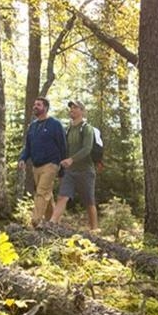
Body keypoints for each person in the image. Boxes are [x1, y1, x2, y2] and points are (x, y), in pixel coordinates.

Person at [17, 96, 66, 227]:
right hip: (36, 166)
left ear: (45, 108)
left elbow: (63, 145)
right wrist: (22, 158)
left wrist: (62, 167)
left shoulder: (55, 124)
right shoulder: (32, 127)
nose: (35, 107)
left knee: (41, 192)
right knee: (46, 194)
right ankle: (54, 224)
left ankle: (35, 221)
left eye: (38, 105)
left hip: (51, 164)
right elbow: (28, 146)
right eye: (34, 104)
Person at [51, 100, 98, 230]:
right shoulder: (68, 130)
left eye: (75, 107)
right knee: (62, 197)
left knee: (89, 202)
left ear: (82, 111)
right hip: (70, 172)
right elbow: (64, 149)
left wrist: (72, 159)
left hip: (86, 171)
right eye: (71, 107)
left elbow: (87, 148)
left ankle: (94, 230)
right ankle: (52, 224)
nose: (71, 109)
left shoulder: (86, 128)